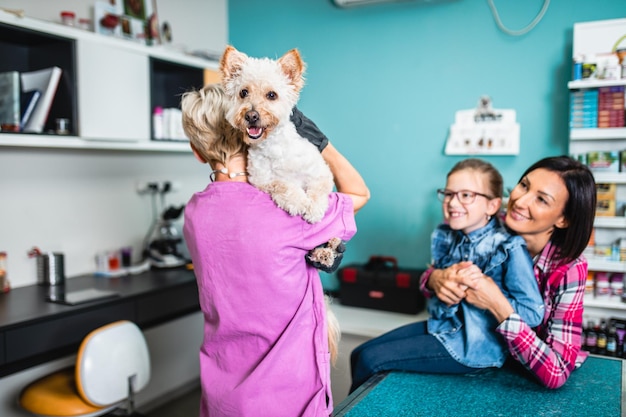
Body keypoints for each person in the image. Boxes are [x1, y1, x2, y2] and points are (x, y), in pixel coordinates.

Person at [181, 84, 370, 417]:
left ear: (197, 151)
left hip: (223, 396)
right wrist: (319, 143)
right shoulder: (286, 210)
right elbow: (359, 193)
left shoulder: (195, 212)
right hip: (286, 396)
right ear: (253, 134)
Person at [350, 156, 595, 391]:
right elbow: (435, 272)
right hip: (457, 328)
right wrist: (437, 279)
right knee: (359, 354)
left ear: (563, 219)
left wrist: (496, 302)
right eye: (523, 185)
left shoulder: (570, 269)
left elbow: (557, 372)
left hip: (490, 355)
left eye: (541, 199)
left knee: (372, 360)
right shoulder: (484, 222)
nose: (520, 201)